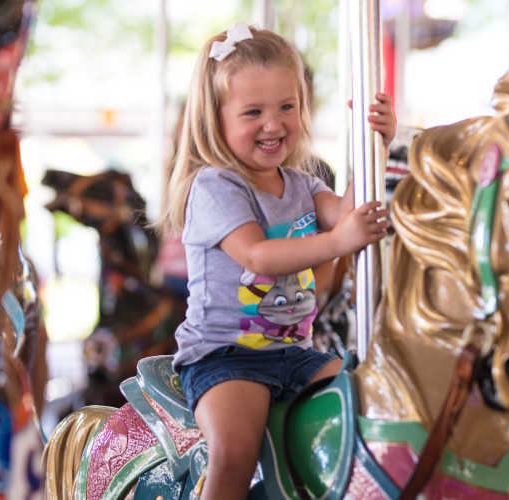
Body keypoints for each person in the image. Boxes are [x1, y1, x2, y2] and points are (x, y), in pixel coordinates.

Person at [157, 22, 396, 499]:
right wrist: (338, 242)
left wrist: (374, 145)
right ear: (216, 118)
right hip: (226, 356)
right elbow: (256, 254)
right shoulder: (215, 186)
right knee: (234, 449)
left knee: (369, 408)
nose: (274, 123)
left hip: (296, 354)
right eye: (253, 112)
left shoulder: (303, 184)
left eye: (287, 106)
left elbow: (347, 213)